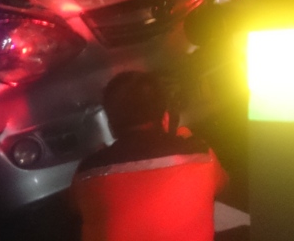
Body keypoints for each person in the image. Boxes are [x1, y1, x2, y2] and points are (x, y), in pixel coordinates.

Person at [71, 71, 229, 241]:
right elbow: (222, 184)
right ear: (165, 118)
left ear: (111, 127)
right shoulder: (201, 155)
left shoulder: (87, 173)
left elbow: (75, 206)